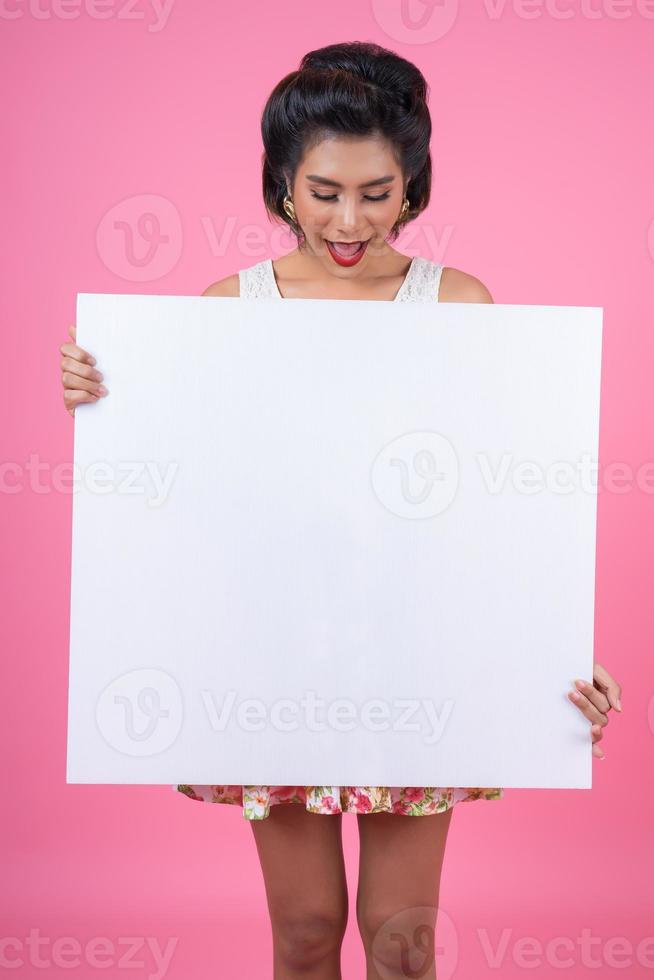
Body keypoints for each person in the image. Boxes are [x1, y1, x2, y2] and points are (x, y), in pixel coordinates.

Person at [59, 40, 622, 980]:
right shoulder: (225, 311)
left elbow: (506, 511)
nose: (351, 218)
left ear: (414, 186)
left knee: (401, 943)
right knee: (307, 932)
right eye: (324, 192)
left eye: (378, 190)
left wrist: (555, 649)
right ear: (282, 184)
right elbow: (182, 496)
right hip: (273, 660)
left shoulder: (461, 308)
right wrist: (106, 400)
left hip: (421, 658)